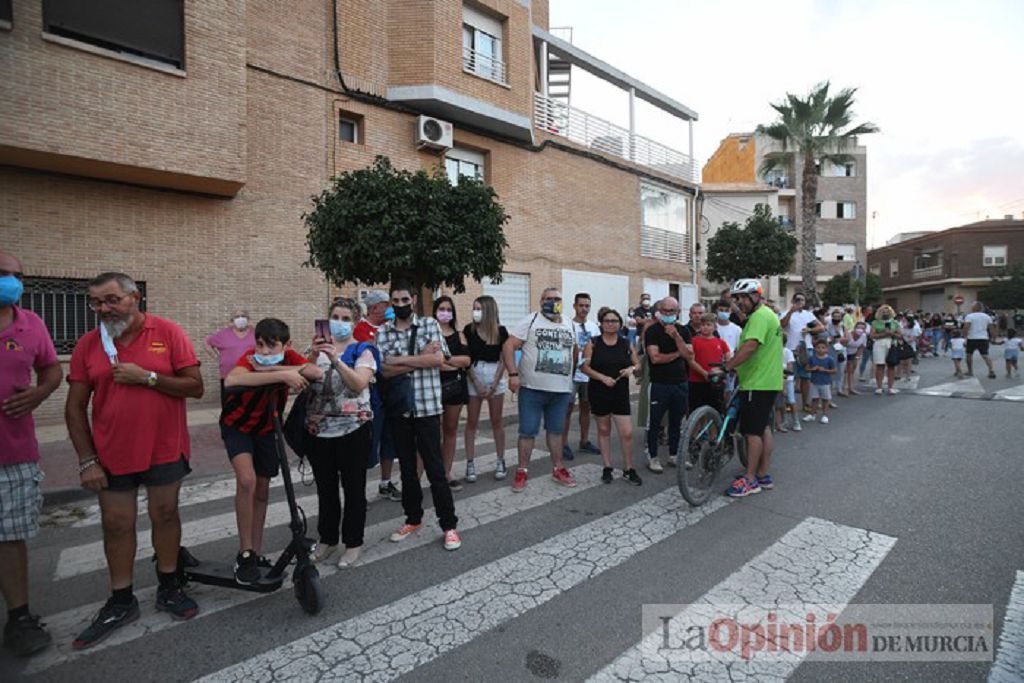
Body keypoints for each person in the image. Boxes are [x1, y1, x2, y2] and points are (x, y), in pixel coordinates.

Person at [66, 272, 204, 648]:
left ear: (135, 297)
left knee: (165, 515)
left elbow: (196, 386)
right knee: (116, 525)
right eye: (96, 302)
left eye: (112, 300)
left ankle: (170, 584)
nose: (103, 309)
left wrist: (149, 378)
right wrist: (86, 460)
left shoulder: (168, 332)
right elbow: (75, 408)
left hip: (164, 446)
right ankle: (121, 599)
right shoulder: (88, 345)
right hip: (111, 454)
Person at [222, 318, 321, 583]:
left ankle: (255, 550)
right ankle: (244, 554)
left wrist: (286, 368)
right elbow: (232, 379)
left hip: (267, 429)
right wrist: (282, 374)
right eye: (260, 345)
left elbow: (314, 372)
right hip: (238, 427)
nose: (263, 352)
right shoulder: (248, 357)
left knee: (262, 490)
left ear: (285, 345)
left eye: (271, 346)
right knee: (247, 480)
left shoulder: (288, 355)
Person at [0, 253, 62, 657]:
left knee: (10, 537)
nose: (12, 281)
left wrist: (39, 394)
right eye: (3, 274)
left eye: (17, 275)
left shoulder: (31, 324)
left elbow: (52, 371)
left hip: (13, 451)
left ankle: (19, 617)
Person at [376, 283, 461, 550]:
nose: (400, 303)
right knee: (408, 471)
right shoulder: (383, 331)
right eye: (395, 300)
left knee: (435, 469)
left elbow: (438, 361)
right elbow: (383, 371)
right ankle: (413, 518)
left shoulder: (429, 325)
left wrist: (399, 360)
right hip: (400, 408)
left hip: (427, 407)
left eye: (404, 298)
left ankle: (449, 525)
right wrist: (418, 357)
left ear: (412, 300)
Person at [304, 298, 376, 568]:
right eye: (336, 316)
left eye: (346, 319)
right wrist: (313, 354)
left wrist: (336, 359)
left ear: (355, 323)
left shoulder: (362, 351)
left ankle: (353, 543)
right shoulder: (315, 350)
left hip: (353, 430)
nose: (340, 322)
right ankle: (327, 539)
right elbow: (299, 381)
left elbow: (358, 384)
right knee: (326, 489)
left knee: (354, 489)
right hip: (319, 432)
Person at [502, 287, 578, 492]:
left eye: (557, 299)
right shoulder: (531, 321)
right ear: (541, 301)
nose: (553, 302)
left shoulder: (570, 323)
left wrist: (569, 379)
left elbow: (574, 351)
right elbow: (508, 346)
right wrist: (513, 374)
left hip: (560, 391)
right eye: (548, 299)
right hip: (532, 389)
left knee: (556, 431)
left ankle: (558, 468)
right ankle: (522, 471)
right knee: (527, 432)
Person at [719, 279, 782, 497]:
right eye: (736, 299)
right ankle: (763, 474)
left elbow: (750, 347)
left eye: (742, 298)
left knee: (751, 432)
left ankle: (750, 479)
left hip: (758, 383)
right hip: (766, 381)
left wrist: (728, 366)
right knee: (763, 428)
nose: (738, 303)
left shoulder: (759, 317)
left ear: (755, 296)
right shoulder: (766, 315)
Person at [581, 307, 642, 485]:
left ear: (619, 324)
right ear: (601, 323)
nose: (610, 324)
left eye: (614, 321)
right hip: (599, 391)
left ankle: (628, 468)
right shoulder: (593, 343)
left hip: (620, 392)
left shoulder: (625, 343)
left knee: (627, 432)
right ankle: (607, 467)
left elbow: (638, 364)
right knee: (604, 430)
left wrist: (631, 369)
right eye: (607, 321)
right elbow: (584, 367)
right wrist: (602, 378)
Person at [356, 290, 400, 502]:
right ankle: (359, 489)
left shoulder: (390, 327)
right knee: (368, 439)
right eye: (386, 304)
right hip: (371, 390)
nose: (390, 307)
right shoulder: (360, 330)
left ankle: (385, 482)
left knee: (389, 437)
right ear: (374, 308)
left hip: (390, 388)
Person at [644, 297, 694, 473]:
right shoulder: (652, 331)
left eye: (671, 311)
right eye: (664, 311)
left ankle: (675, 455)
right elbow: (655, 358)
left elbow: (689, 355)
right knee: (655, 423)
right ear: (659, 311)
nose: (667, 314)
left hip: (680, 382)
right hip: (660, 383)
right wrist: (676, 354)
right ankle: (653, 456)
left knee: (677, 422)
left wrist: (676, 337)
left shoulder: (683, 330)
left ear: (678, 313)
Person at [463, 295, 509, 481]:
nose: (475, 312)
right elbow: (466, 358)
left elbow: (504, 359)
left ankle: (500, 460)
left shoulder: (501, 331)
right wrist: (476, 382)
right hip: (474, 374)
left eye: (479, 309)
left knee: (496, 421)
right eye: (474, 308)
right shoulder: (468, 330)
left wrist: (494, 384)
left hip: (494, 375)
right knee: (471, 422)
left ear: (488, 310)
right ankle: (470, 463)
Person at [434, 296, 471, 491]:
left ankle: (446, 473)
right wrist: (450, 362)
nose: (445, 312)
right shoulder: (428, 333)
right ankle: (427, 474)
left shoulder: (460, 334)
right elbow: (433, 362)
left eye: (449, 309)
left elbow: (466, 361)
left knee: (450, 430)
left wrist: (446, 359)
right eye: (441, 308)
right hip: (432, 385)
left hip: (455, 386)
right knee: (432, 432)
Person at [563, 293, 600, 460]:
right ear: (574, 306)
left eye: (587, 306)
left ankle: (584, 441)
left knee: (586, 408)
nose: (584, 309)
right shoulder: (567, 325)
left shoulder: (594, 327)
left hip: (588, 375)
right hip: (571, 374)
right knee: (567, 409)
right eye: (581, 305)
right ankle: (563, 444)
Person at [779, 293, 824, 413]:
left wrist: (809, 330)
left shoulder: (808, 315)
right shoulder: (785, 313)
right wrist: (790, 311)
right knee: (789, 378)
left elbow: (821, 327)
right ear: (793, 301)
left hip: (806, 349)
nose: (800, 302)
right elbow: (782, 325)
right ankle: (789, 403)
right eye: (798, 300)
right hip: (791, 349)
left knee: (806, 378)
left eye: (802, 300)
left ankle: (805, 403)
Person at [204, 309, 255, 404]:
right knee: (229, 405)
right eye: (237, 316)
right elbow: (207, 343)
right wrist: (216, 357)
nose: (240, 318)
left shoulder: (255, 333)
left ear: (248, 319)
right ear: (232, 320)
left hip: (250, 374)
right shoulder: (223, 334)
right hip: (228, 375)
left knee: (250, 404)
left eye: (243, 316)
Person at [688, 313, 731, 413]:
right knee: (695, 411)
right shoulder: (694, 341)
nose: (705, 327)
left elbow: (728, 360)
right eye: (703, 325)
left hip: (716, 382)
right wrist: (705, 373)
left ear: (714, 326)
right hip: (696, 382)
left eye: (708, 325)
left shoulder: (721, 342)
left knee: (715, 411)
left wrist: (719, 371)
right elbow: (691, 360)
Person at [802, 340, 836, 424]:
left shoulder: (829, 359)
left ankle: (824, 415)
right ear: (815, 349)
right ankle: (812, 414)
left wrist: (825, 370)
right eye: (818, 347)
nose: (820, 349)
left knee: (825, 399)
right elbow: (806, 369)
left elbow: (834, 370)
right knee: (814, 399)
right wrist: (812, 369)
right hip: (814, 382)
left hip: (825, 382)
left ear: (827, 349)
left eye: (823, 348)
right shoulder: (812, 359)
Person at [870, 304, 900, 395]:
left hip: (891, 344)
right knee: (880, 366)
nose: (885, 313)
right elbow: (872, 335)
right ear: (880, 312)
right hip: (879, 344)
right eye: (883, 311)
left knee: (891, 366)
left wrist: (891, 333)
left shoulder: (895, 322)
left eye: (887, 311)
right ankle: (879, 387)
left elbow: (899, 335)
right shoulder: (875, 322)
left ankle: (891, 387)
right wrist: (883, 334)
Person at [962, 302, 996, 378]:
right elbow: (991, 328)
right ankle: (991, 370)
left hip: (972, 338)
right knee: (985, 355)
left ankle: (970, 371)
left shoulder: (969, 316)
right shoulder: (987, 316)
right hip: (983, 338)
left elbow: (966, 327)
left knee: (969, 355)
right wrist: (993, 338)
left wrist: (964, 338)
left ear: (974, 308)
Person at [774, 338, 799, 433]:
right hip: (776, 379)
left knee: (791, 401)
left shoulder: (787, 352)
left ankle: (796, 421)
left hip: (787, 380)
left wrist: (784, 380)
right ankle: (782, 422)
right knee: (779, 403)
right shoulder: (772, 351)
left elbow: (790, 367)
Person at [825, 309, 849, 397]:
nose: (836, 318)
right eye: (834, 316)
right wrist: (831, 339)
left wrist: (840, 339)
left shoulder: (843, 326)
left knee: (841, 371)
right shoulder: (827, 327)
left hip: (841, 351)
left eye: (838, 317)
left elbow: (847, 339)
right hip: (831, 350)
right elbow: (825, 339)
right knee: (831, 370)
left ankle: (839, 389)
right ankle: (829, 389)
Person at [844, 322, 869, 395]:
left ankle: (851, 388)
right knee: (846, 371)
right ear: (854, 328)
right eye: (858, 328)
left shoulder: (863, 336)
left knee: (852, 370)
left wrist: (857, 357)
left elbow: (861, 347)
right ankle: (844, 388)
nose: (860, 330)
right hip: (845, 353)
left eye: (862, 328)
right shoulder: (848, 334)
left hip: (854, 353)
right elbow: (844, 345)